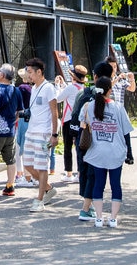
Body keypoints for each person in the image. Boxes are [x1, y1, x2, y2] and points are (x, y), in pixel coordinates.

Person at [79, 76, 132, 228]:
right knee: (116, 184)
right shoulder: (118, 107)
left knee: (98, 185)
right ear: (110, 90)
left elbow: (83, 124)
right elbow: (126, 132)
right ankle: (113, 218)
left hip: (97, 151)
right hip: (115, 151)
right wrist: (129, 153)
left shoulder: (89, 106)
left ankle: (99, 218)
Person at [21, 57, 60, 212]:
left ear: (39, 72)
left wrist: (54, 134)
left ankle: (39, 200)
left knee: (42, 166)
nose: (28, 75)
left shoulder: (48, 88)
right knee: (28, 164)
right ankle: (48, 188)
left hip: (43, 132)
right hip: (31, 131)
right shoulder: (35, 88)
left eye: (30, 72)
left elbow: (54, 111)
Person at [0, 63, 22, 196]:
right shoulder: (16, 90)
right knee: (10, 159)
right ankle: (10, 186)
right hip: (11, 130)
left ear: (2, 75)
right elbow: (19, 111)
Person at [55, 64, 88, 183]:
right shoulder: (84, 89)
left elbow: (58, 98)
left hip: (68, 120)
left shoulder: (70, 88)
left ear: (73, 76)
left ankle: (69, 173)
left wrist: (58, 86)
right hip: (80, 121)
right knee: (79, 147)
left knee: (67, 147)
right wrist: (64, 85)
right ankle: (80, 173)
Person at [107, 57, 137, 163]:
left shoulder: (120, 79)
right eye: (111, 67)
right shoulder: (104, 79)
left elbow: (132, 89)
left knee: (126, 132)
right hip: (108, 112)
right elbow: (107, 88)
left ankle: (129, 154)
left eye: (115, 66)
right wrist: (117, 78)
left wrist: (132, 79)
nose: (113, 69)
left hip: (120, 110)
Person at [14, 68, 36, 187]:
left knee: (20, 148)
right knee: (29, 148)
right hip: (31, 118)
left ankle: (22, 174)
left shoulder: (21, 88)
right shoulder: (33, 88)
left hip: (22, 118)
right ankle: (30, 175)